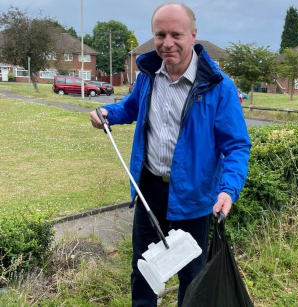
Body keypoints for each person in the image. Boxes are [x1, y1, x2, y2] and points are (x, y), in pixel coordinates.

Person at [90, 2, 251, 306]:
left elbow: (237, 145)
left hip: (194, 196)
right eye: (160, 35)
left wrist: (229, 189)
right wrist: (106, 113)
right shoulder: (148, 75)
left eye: (176, 34)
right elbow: (130, 108)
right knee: (145, 270)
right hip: (149, 187)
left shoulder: (219, 87)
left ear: (193, 35)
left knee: (192, 276)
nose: (167, 43)